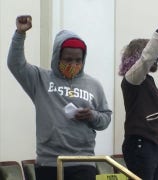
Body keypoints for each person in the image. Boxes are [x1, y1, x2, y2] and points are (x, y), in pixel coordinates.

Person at [8, 15, 112, 180]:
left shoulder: (93, 85)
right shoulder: (39, 79)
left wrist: (92, 115)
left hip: (83, 162)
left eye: (78, 60)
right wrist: (20, 34)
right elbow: (15, 64)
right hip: (49, 163)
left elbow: (106, 118)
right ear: (57, 57)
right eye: (68, 59)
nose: (73, 64)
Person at [119, 12, 158, 180]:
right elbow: (147, 58)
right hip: (139, 145)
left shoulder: (148, 81)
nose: (156, 57)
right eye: (154, 52)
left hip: (152, 145)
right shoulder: (132, 79)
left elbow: (155, 120)